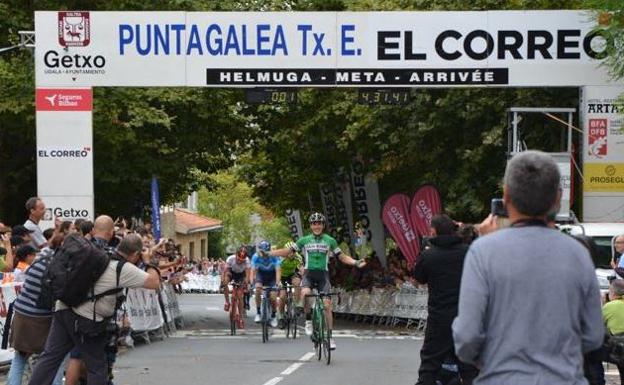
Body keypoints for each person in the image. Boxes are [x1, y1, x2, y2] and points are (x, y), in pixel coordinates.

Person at [452, 150, 604, 385]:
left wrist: (494, 360)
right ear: (557, 198)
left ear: (506, 196)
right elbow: (593, 336)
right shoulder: (578, 254)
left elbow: (467, 336)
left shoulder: (483, 253)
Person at [28, 230, 161, 385]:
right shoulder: (122, 268)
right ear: (136, 253)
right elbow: (154, 282)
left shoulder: (99, 253)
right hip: (85, 321)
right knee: (97, 365)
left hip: (63, 309)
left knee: (50, 357)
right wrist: (149, 260)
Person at [272, 212, 367, 350]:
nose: (316, 226)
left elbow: (342, 256)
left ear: (323, 225)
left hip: (323, 275)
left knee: (327, 305)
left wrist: (355, 262)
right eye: (314, 223)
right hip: (309, 274)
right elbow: (287, 252)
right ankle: (309, 321)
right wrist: (269, 253)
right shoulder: (304, 240)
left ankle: (329, 337)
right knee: (304, 293)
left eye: (319, 223)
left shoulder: (330, 240)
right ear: (311, 226)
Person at [413, 214, 478, 385]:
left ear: (433, 232)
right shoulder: (468, 252)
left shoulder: (429, 256)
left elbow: (419, 277)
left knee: (429, 365)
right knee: (469, 367)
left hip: (439, 318)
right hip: (465, 317)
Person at [7, 233, 66, 385]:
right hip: (40, 319)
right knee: (56, 356)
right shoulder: (60, 267)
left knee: (20, 358)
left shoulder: (42, 257)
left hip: (20, 313)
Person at [250, 240, 281, 327]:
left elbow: (278, 271)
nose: (263, 254)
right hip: (261, 275)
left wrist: (277, 284)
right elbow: (252, 271)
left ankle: (274, 316)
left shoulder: (274, 257)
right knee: (257, 289)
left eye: (265, 252)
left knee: (273, 296)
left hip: (272, 277)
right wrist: (252, 283)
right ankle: (258, 312)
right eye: (261, 252)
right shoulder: (255, 256)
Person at [222, 245, 251, 329]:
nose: (240, 261)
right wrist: (223, 282)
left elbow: (247, 275)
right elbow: (225, 272)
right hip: (231, 273)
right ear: (236, 255)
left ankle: (241, 318)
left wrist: (247, 284)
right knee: (225, 281)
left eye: (242, 260)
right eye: (238, 259)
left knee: (240, 296)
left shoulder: (247, 261)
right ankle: (227, 302)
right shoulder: (230, 259)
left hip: (241, 275)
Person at [277, 241, 303, 328]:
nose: (292, 254)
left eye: (293, 252)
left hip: (292, 274)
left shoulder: (298, 257)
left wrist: (305, 279)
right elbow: (278, 271)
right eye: (289, 252)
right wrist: (279, 282)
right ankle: (280, 316)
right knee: (282, 296)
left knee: (297, 283)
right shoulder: (281, 258)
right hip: (282, 276)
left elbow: (302, 270)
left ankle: (297, 303)